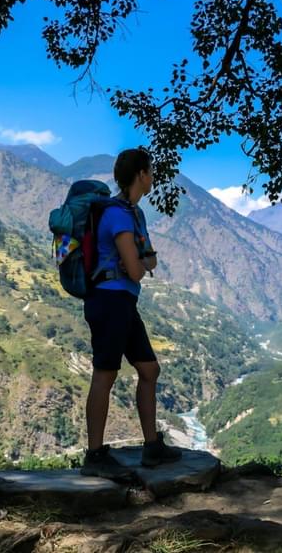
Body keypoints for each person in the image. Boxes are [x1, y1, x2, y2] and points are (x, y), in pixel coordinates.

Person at [80, 147, 182, 479]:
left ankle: (152, 446)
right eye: (150, 171)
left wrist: (137, 262)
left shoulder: (134, 214)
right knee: (105, 374)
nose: (153, 177)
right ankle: (94, 454)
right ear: (141, 174)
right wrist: (137, 263)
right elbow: (140, 270)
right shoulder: (118, 216)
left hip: (123, 301)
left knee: (149, 369)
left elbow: (146, 260)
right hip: (109, 301)